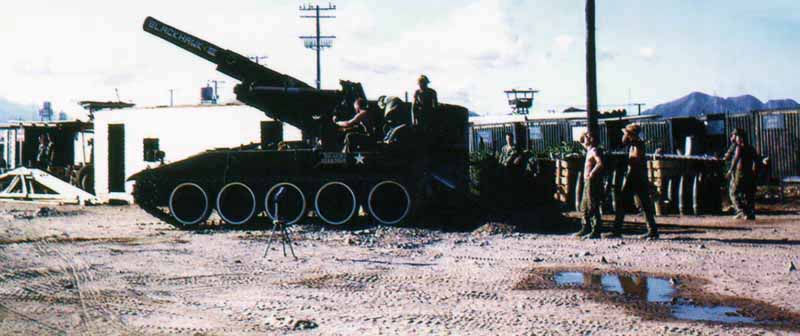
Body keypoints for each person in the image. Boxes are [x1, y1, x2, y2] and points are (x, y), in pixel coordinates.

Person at [607, 124, 659, 240]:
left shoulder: (637, 146)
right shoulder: (634, 146)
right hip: (637, 176)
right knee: (644, 204)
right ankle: (652, 230)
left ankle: (617, 230)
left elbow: (635, 161)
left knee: (627, 203)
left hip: (636, 177)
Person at [574, 131, 604, 239]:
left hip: (591, 180)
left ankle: (596, 229)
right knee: (584, 205)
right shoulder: (588, 150)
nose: (585, 139)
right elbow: (581, 141)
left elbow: (599, 163)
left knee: (592, 205)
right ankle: (585, 226)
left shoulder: (594, 150)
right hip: (587, 181)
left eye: (587, 137)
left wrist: (592, 173)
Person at [728, 129, 760, 220]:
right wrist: (754, 171)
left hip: (740, 173)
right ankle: (750, 213)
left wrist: (730, 170)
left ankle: (741, 210)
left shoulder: (739, 148)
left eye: (736, 136)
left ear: (740, 137)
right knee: (748, 194)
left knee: (733, 192)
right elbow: (756, 160)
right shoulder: (750, 148)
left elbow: (735, 159)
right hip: (749, 173)